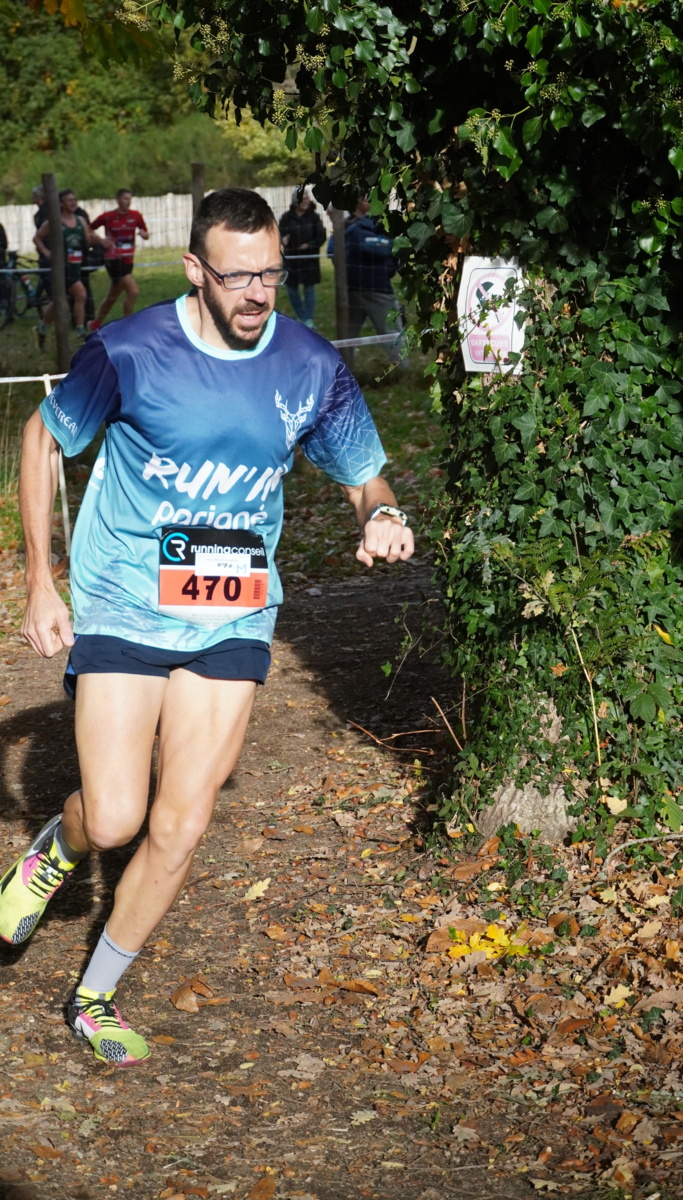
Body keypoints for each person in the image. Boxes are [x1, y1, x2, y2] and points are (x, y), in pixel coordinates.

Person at [1, 187, 414, 1067]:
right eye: (237, 277)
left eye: (271, 273)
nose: (257, 293)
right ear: (195, 269)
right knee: (116, 817)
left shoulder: (310, 363)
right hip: (126, 597)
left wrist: (379, 512)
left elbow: (363, 473)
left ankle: (95, 994)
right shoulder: (129, 351)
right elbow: (41, 440)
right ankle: (57, 849)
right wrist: (41, 583)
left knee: (181, 824)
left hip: (235, 610)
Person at [32, 189, 109, 348]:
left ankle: (42, 328)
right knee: (81, 294)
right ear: (61, 204)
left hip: (76, 265)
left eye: (74, 199)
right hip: (61, 267)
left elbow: (87, 241)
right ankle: (81, 331)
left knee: (60, 300)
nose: (73, 203)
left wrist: (97, 241)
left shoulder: (80, 221)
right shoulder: (54, 222)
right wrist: (47, 252)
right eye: (69, 200)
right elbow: (37, 238)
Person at [345, 197, 406, 368]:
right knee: (392, 332)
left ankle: (342, 371)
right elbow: (396, 256)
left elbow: (335, 253)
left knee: (347, 334)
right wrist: (387, 271)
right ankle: (403, 370)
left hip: (352, 287)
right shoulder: (388, 230)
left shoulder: (350, 229)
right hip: (379, 287)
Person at [88, 189, 149, 330]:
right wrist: (101, 240)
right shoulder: (108, 216)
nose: (128, 202)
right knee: (133, 291)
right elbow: (89, 228)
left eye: (130, 199)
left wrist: (143, 234)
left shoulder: (136, 216)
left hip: (128, 260)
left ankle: (95, 323)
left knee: (113, 296)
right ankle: (127, 326)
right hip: (113, 259)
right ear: (118, 200)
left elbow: (146, 233)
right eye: (125, 198)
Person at [278, 190, 326, 329]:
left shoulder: (314, 217)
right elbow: (279, 233)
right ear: (295, 201)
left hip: (309, 259)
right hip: (292, 259)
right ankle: (302, 316)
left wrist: (309, 245)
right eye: (302, 198)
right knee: (292, 290)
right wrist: (282, 239)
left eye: (307, 198)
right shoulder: (286, 217)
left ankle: (308, 320)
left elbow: (321, 237)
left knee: (309, 289)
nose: (306, 201)